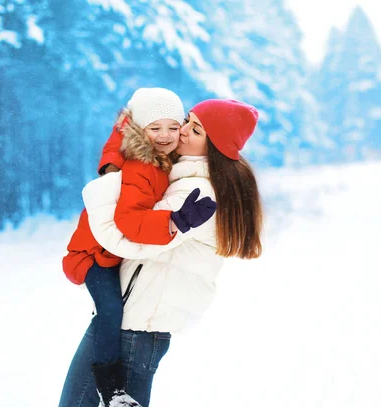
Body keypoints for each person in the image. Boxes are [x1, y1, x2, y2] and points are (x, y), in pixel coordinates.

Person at [58, 99, 264, 407]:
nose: (182, 132)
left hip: (137, 327)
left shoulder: (194, 192)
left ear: (215, 148)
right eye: (187, 121)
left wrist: (105, 187)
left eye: (196, 130)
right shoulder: (184, 178)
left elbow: (126, 239)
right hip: (135, 323)